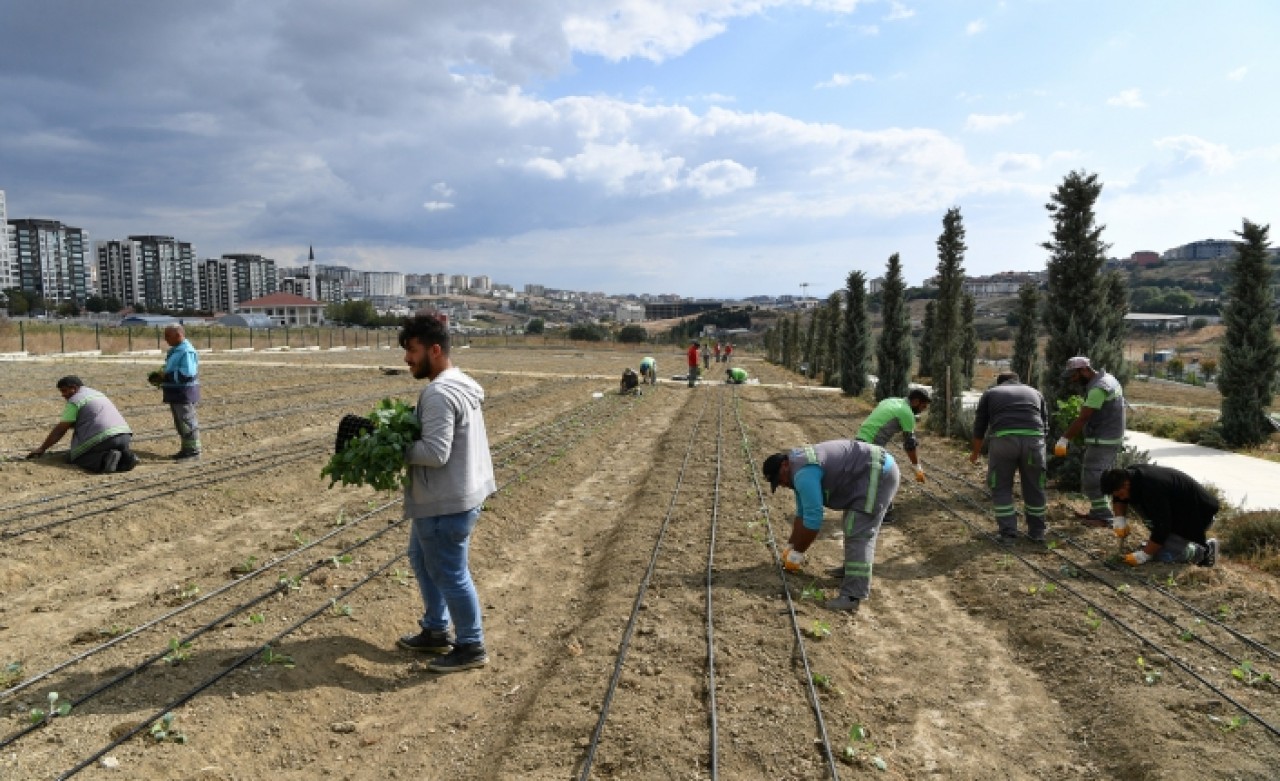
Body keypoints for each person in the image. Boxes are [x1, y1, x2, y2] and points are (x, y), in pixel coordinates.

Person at [396, 313, 497, 673]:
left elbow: (436, 453)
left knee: (450, 572)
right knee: (423, 559)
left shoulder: (438, 393)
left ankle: (471, 645)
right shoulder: (461, 383)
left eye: (412, 350)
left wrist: (396, 446)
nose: (407, 358)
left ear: (434, 350)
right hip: (456, 494)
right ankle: (436, 630)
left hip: (445, 500)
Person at [762, 439, 900, 612]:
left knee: (858, 532)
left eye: (779, 479)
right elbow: (802, 514)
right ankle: (851, 569)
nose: (782, 484)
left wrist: (796, 554)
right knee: (852, 527)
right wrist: (790, 547)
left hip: (877, 473)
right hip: (868, 470)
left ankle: (852, 596)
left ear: (784, 465)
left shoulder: (803, 474)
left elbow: (813, 522)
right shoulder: (796, 468)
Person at [968, 372, 1049, 542]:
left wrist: (975, 453)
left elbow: (979, 427)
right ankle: (1037, 532)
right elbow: (1045, 426)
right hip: (1034, 442)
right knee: (1035, 486)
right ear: (1018, 381)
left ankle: (1008, 533)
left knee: (1001, 486)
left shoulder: (991, 393)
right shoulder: (1035, 393)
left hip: (1004, 442)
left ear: (999, 383)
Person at [1099, 465, 1219, 568]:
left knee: (1164, 556)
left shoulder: (1152, 489)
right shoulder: (1128, 476)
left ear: (1126, 484)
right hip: (1175, 511)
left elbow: (1162, 526)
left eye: (1121, 494)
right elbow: (1118, 498)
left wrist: (1144, 555)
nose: (1121, 498)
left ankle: (1203, 551)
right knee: (1155, 545)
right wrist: (1119, 519)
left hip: (1198, 515)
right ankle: (1168, 543)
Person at [1055, 356, 1125, 522]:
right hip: (1110, 436)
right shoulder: (1108, 380)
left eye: (1074, 375)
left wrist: (1064, 440)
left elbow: (1083, 417)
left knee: (1092, 477)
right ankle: (1100, 512)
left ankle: (1103, 516)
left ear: (1084, 370)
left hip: (1103, 439)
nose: (1073, 380)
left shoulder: (1098, 388)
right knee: (1102, 476)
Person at [28, 376, 138, 473]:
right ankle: (125, 456)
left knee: (76, 457)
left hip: (105, 438)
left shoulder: (75, 401)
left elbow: (60, 430)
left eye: (65, 391)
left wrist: (42, 448)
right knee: (109, 447)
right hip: (124, 435)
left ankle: (105, 458)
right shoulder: (96, 393)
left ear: (74, 388)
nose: (63, 395)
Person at [857, 389, 930, 484]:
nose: (923, 410)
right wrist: (917, 467)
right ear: (916, 402)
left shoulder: (890, 400)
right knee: (878, 481)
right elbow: (910, 445)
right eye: (923, 406)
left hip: (859, 437)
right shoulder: (907, 413)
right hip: (872, 445)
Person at [160, 325, 201, 460]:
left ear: (178, 335)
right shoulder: (176, 350)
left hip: (184, 393)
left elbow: (187, 374)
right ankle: (186, 449)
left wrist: (166, 376)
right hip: (176, 393)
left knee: (187, 422)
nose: (165, 339)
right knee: (180, 423)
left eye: (168, 336)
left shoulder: (186, 351)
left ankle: (193, 451)